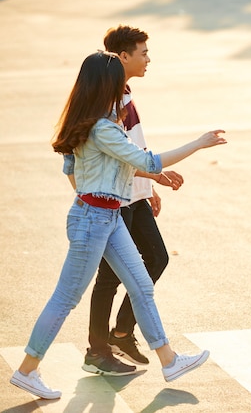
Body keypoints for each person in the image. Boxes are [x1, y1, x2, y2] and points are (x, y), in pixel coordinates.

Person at [9, 51, 227, 400]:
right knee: (66, 298)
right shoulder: (103, 128)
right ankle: (27, 370)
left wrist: (92, 195)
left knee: (141, 285)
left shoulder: (89, 122)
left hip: (104, 217)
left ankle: (169, 360)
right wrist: (199, 144)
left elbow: (76, 169)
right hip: (94, 221)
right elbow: (147, 160)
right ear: (107, 85)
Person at [80, 25, 185, 376]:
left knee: (157, 257)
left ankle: (122, 332)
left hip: (135, 195)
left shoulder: (124, 90)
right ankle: (97, 349)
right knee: (109, 278)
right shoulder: (108, 99)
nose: (148, 59)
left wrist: (147, 189)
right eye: (143, 53)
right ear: (123, 56)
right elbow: (121, 156)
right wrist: (154, 176)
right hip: (116, 199)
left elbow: (133, 146)